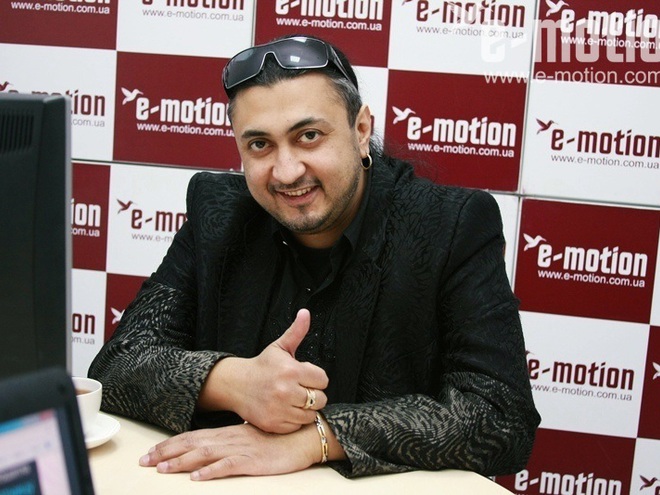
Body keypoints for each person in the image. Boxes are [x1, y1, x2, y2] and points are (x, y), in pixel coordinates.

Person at [89, 34, 540, 481]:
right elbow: (115, 366)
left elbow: (502, 417)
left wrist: (318, 438)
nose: (286, 172)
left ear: (361, 131)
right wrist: (231, 381)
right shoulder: (219, 215)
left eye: (308, 136)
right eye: (260, 145)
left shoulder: (450, 225)